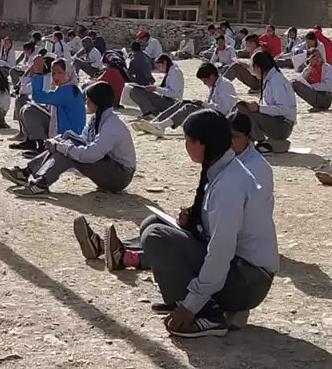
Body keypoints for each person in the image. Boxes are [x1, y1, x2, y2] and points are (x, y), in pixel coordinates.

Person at [71, 109, 277, 337]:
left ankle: (208, 314)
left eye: (187, 140)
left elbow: (221, 251)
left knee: (156, 237)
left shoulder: (230, 183)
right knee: (151, 224)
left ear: (202, 143)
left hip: (247, 281)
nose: (185, 145)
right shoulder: (223, 169)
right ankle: (192, 301)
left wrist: (191, 306)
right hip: (239, 271)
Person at [2, 81, 136, 197]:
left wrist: (61, 147)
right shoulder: (98, 118)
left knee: (68, 153)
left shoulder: (111, 125)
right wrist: (58, 141)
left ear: (97, 101)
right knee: (65, 144)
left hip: (120, 175)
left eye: (88, 99)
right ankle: (26, 173)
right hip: (110, 166)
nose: (86, 102)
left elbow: (92, 154)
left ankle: (40, 184)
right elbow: (82, 139)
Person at [134, 62, 237, 138]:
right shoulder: (215, 84)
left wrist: (203, 104)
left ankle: (161, 126)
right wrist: (202, 103)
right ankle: (154, 123)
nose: (204, 83)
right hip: (215, 113)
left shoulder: (225, 85)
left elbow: (223, 109)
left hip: (221, 120)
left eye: (205, 80)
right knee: (182, 103)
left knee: (189, 107)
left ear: (212, 76)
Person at [13, 58, 86, 155]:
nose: (55, 76)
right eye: (53, 73)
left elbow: (38, 97)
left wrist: (38, 73)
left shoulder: (69, 91)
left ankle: (42, 146)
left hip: (68, 132)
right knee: (25, 108)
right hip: (62, 126)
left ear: (68, 73)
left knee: (29, 111)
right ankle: (30, 141)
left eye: (60, 73)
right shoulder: (65, 88)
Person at [233, 50, 297, 154]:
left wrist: (259, 108)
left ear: (259, 68)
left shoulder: (276, 81)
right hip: (277, 121)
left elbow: (283, 109)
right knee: (240, 107)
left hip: (283, 125)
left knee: (242, 109)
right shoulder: (270, 79)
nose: (253, 71)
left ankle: (262, 143)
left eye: (253, 68)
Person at [228, 110, 274, 196]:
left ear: (248, 138)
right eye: (227, 136)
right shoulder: (227, 158)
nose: (230, 141)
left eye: (236, 136)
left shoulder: (255, 166)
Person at [129, 55, 184, 119]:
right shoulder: (171, 71)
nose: (159, 70)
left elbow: (175, 94)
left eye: (159, 67)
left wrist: (156, 89)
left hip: (173, 103)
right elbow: (167, 89)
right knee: (137, 90)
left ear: (165, 63)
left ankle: (151, 114)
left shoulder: (175, 72)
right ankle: (150, 113)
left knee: (135, 92)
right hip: (167, 100)